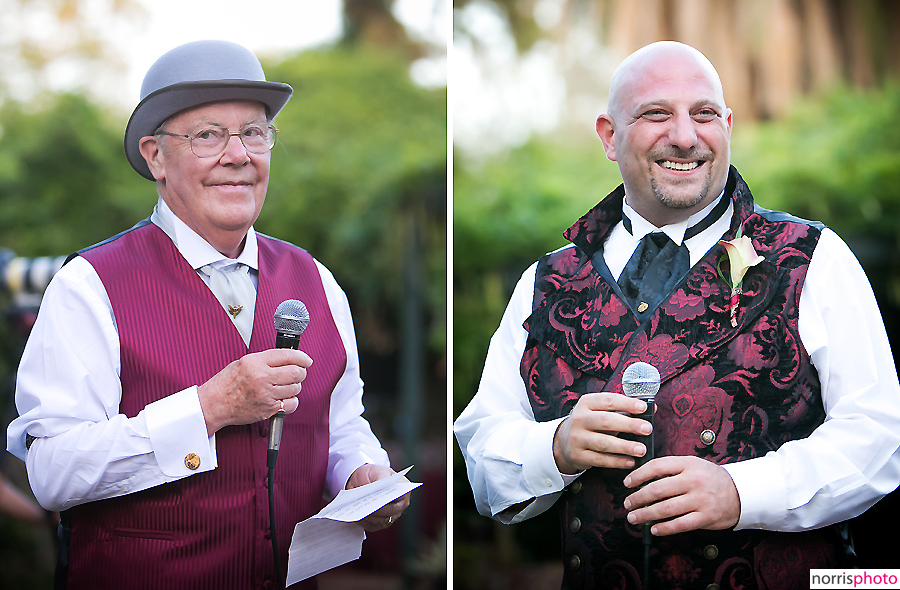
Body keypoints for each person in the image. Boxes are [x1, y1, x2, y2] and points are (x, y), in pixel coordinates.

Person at [454, 41, 900, 589]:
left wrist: (743, 492)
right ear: (609, 135)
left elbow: (880, 436)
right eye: (656, 113)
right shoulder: (544, 283)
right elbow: (483, 450)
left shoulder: (813, 257)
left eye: (704, 114)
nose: (686, 137)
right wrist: (555, 447)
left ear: (728, 126)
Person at [7, 39, 409, 589]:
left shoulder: (317, 279)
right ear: (155, 157)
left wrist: (362, 472)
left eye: (253, 132)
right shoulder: (88, 286)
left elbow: (340, 424)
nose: (238, 154)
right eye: (208, 136)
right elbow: (52, 473)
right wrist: (208, 408)